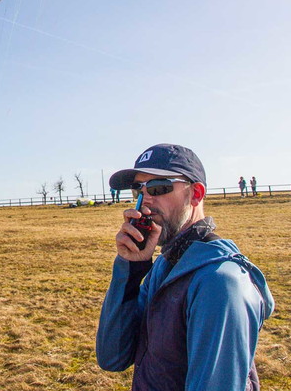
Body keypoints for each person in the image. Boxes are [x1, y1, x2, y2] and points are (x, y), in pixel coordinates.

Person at [96, 143, 274, 390]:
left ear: (196, 193)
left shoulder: (219, 282)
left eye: (159, 187)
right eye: (138, 189)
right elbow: (112, 357)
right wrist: (130, 268)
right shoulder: (166, 264)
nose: (145, 200)